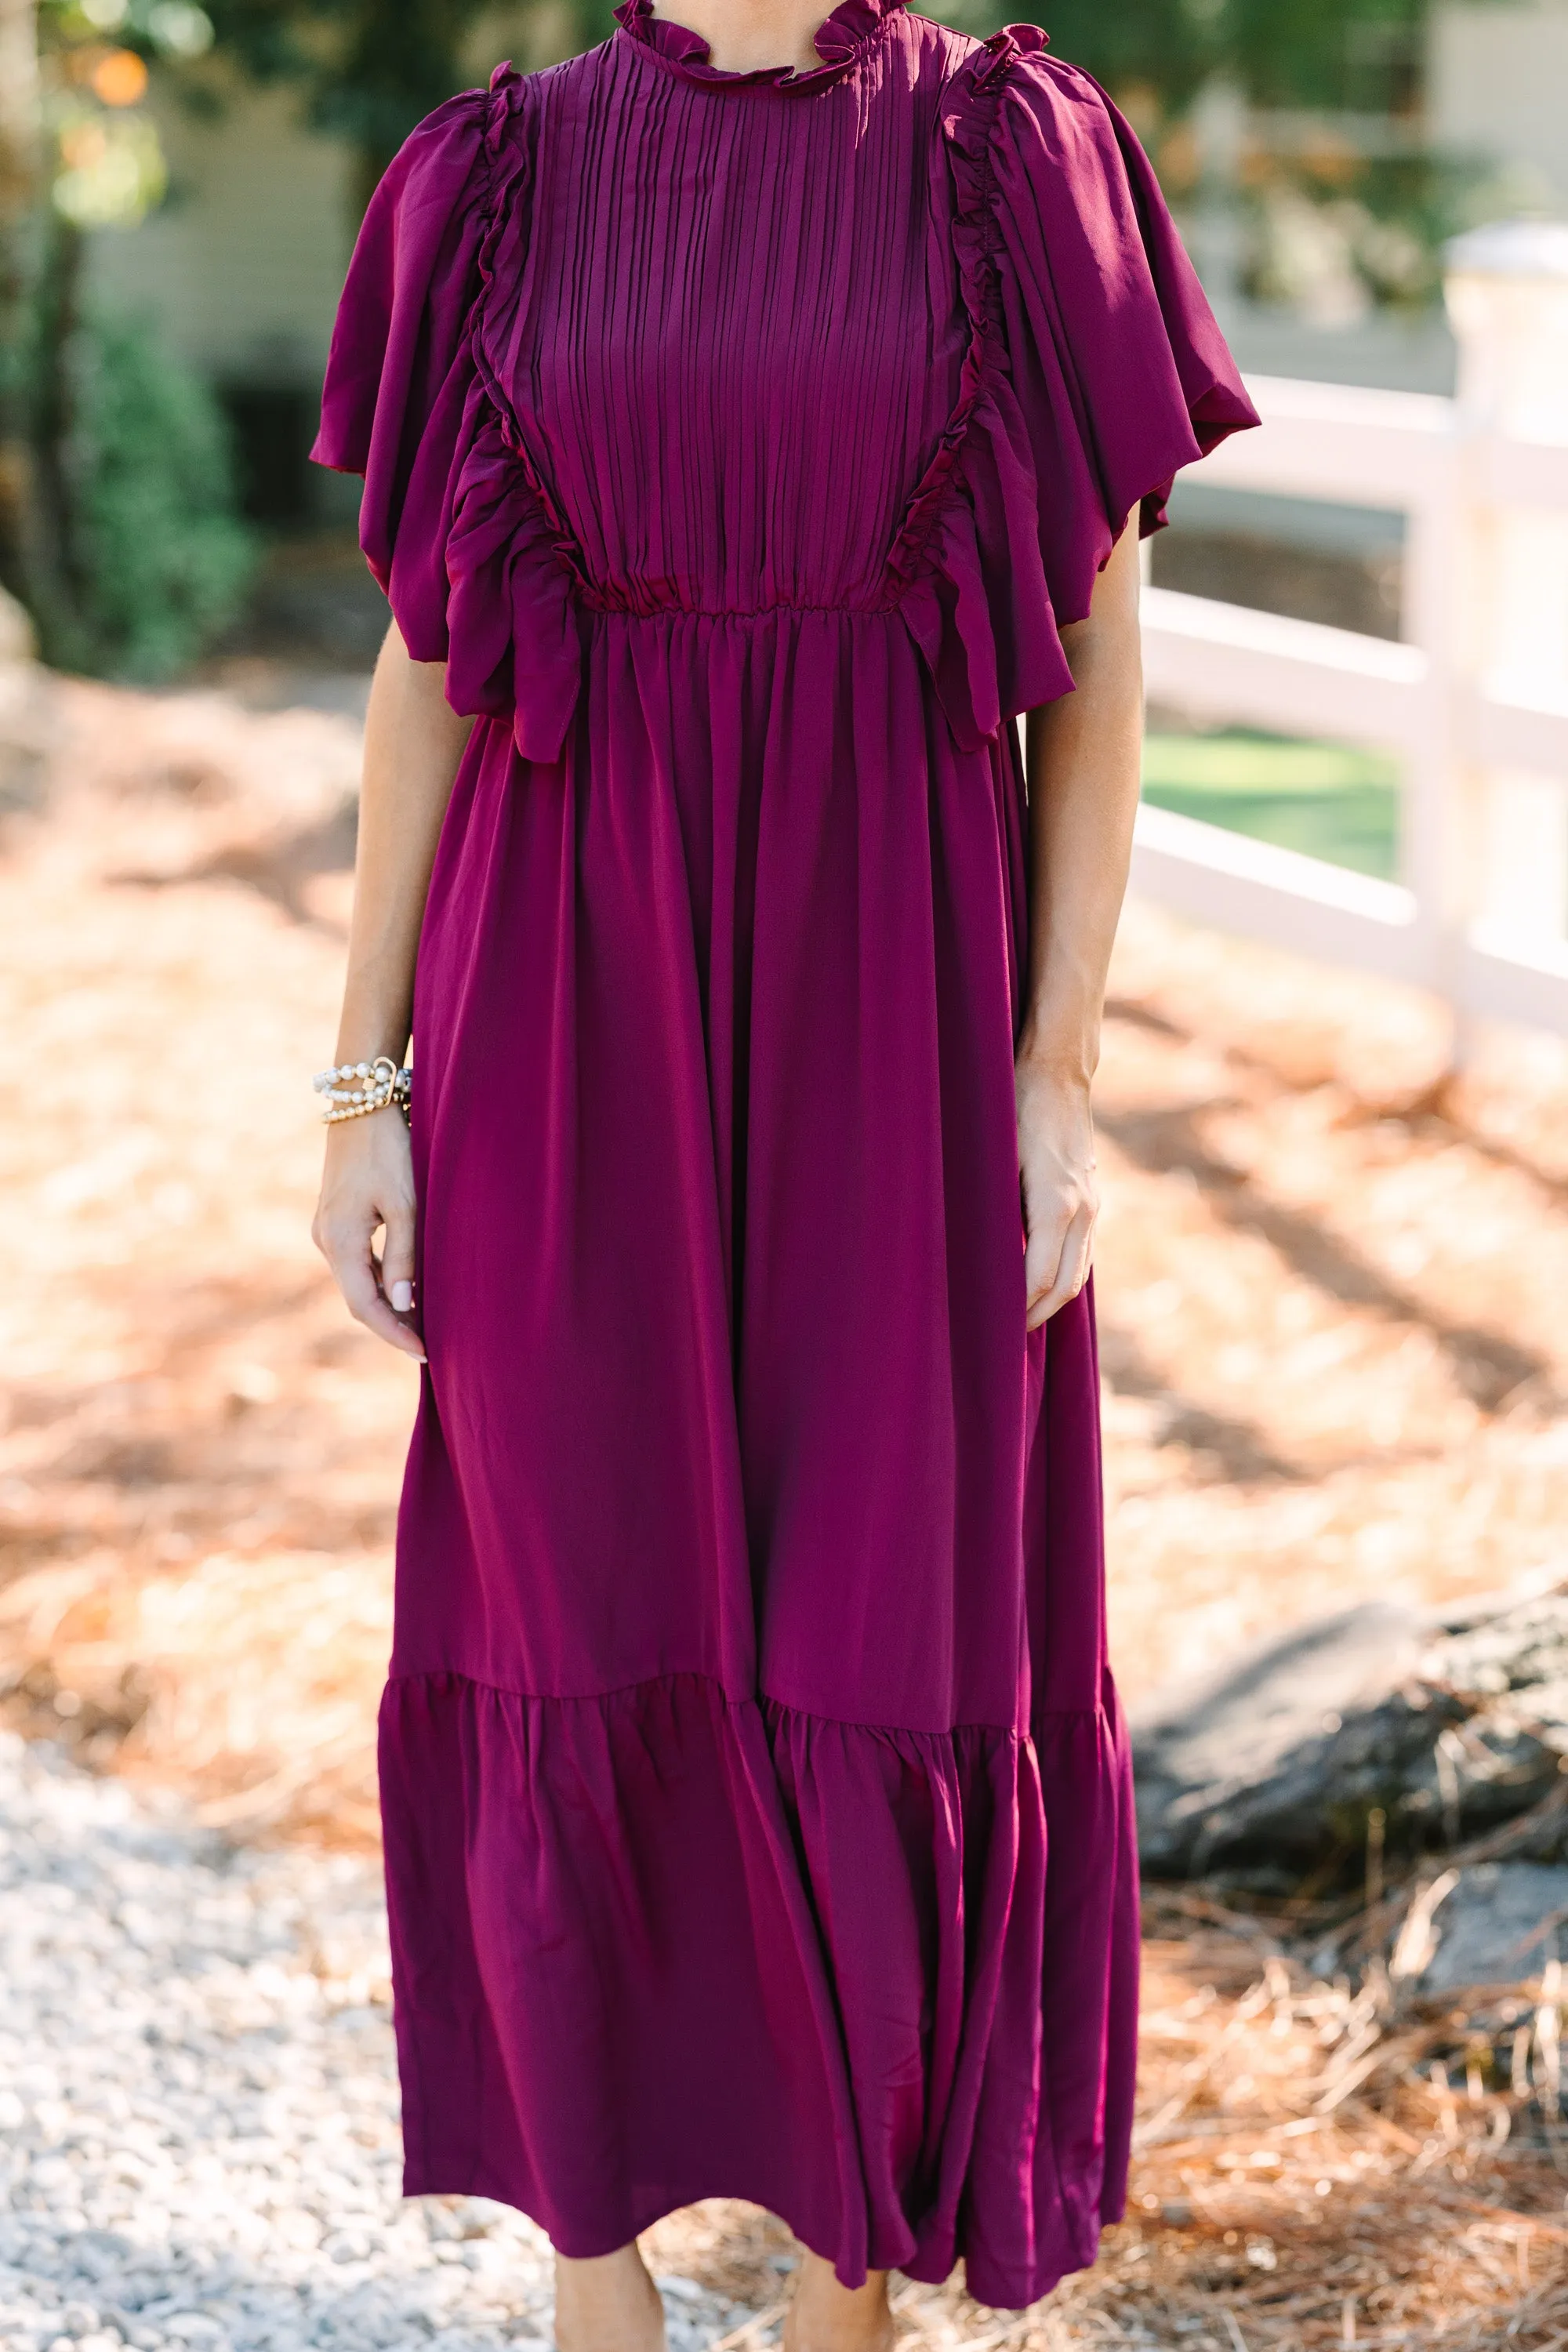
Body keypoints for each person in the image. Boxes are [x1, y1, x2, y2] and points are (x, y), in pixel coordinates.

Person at [309, 0, 1257, 2343]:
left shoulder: (1014, 153)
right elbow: (425, 663)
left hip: (901, 1012)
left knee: (888, 1611)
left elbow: (1098, 667)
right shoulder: (491, 177)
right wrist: (363, 1085)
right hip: (557, 1011)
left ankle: (852, 2283)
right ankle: (595, 2276)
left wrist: (1056, 1067)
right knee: (572, 1591)